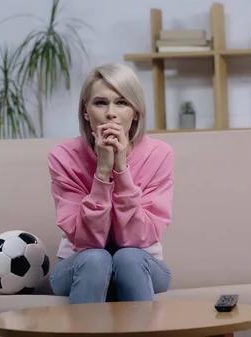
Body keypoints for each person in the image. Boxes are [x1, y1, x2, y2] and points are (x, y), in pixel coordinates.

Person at [46, 62, 175, 304]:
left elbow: (136, 240)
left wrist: (121, 170)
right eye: (100, 103)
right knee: (97, 258)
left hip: (142, 263)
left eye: (122, 102)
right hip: (79, 264)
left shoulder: (160, 154)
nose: (110, 113)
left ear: (136, 112)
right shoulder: (62, 156)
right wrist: (102, 172)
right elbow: (88, 241)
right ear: (86, 111)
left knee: (128, 258)